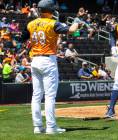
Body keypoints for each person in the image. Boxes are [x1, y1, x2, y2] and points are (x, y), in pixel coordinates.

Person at [23, 0, 79, 134]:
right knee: (49, 96)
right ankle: (51, 127)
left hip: (35, 60)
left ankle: (37, 127)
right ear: (51, 10)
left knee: (36, 95)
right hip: (47, 60)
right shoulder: (53, 23)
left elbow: (23, 38)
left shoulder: (31, 23)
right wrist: (77, 21)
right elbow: (71, 30)